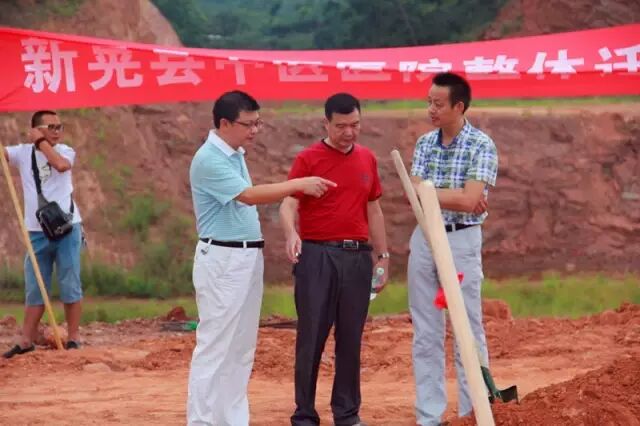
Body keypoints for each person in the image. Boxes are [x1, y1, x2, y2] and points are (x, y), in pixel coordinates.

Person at [187, 90, 335, 426]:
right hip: (223, 258)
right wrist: (297, 184)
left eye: (258, 123)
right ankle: (202, 421)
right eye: (248, 124)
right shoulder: (209, 158)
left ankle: (231, 419)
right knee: (215, 346)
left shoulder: (233, 154)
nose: (255, 130)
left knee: (241, 348)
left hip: (245, 256)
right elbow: (249, 195)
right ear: (225, 123)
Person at [279, 93, 390, 426]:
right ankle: (304, 414)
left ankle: (347, 413)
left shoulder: (367, 158)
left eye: (355, 125)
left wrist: (383, 256)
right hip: (317, 256)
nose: (349, 132)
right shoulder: (308, 159)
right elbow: (288, 203)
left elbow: (374, 208)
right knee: (311, 336)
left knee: (351, 338)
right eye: (341, 126)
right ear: (326, 123)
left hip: (357, 257)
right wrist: (291, 233)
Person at [408, 72, 498, 425]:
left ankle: (472, 412)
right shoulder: (424, 144)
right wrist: (458, 195)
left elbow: (470, 201)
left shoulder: (481, 144)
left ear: (459, 106)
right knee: (425, 330)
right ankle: (429, 416)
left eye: (438, 103)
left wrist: (431, 190)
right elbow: (414, 191)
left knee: (467, 327)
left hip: (461, 239)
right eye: (428, 102)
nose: (431, 109)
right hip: (425, 236)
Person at [2, 110, 84, 359]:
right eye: (51, 127)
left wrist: (41, 142)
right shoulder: (22, 153)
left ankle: (73, 338)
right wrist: (33, 143)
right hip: (37, 231)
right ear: (36, 129)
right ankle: (26, 340)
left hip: (67, 227)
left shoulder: (66, 151)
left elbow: (61, 165)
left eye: (60, 126)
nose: (57, 131)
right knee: (35, 286)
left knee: (70, 282)